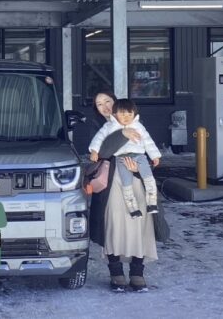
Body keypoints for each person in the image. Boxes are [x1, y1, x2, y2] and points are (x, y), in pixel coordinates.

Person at [87, 91, 157, 293]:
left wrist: (138, 171)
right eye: (99, 104)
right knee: (114, 226)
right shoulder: (99, 127)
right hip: (111, 186)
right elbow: (102, 152)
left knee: (139, 226)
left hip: (136, 182)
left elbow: (146, 152)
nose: (105, 106)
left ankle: (137, 273)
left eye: (107, 101)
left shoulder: (136, 123)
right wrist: (122, 135)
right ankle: (116, 273)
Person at [89, 98, 161, 217]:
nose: (126, 117)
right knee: (126, 184)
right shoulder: (109, 126)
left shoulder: (138, 126)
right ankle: (133, 209)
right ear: (114, 114)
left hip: (139, 156)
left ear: (134, 114)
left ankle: (152, 203)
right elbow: (98, 138)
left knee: (149, 179)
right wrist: (94, 151)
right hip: (121, 158)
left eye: (130, 114)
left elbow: (148, 141)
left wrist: (155, 155)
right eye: (122, 114)